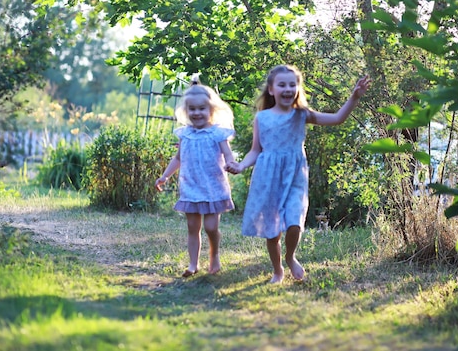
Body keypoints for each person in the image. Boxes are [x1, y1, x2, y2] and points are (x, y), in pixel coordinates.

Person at [227, 65, 371, 283]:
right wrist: (240, 166)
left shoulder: (301, 115)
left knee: (295, 222)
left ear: (298, 89)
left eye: (292, 85)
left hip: (295, 176)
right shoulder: (262, 118)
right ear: (272, 90)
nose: (287, 89)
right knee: (273, 231)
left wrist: (354, 97)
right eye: (282, 85)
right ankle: (277, 270)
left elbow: (337, 118)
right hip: (268, 178)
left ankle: (290, 256)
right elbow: (256, 150)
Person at [155, 73, 236, 277]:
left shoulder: (217, 133)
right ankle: (193, 264)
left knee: (210, 227)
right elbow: (178, 158)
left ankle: (214, 255)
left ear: (211, 110)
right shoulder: (185, 133)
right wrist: (165, 176)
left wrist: (232, 164)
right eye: (192, 109)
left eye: (202, 108)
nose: (197, 113)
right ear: (186, 110)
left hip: (212, 186)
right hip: (191, 186)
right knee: (193, 226)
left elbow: (227, 154)